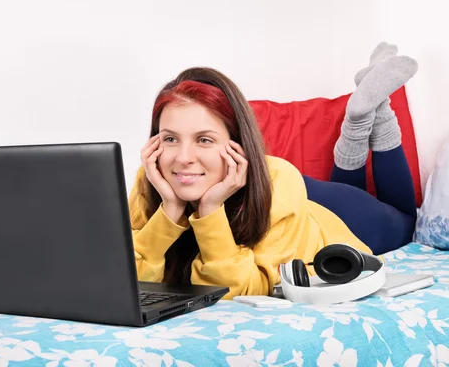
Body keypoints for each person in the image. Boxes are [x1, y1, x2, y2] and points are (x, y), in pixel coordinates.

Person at [129, 42, 419, 299]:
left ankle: (374, 113)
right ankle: (360, 115)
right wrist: (169, 211)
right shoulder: (155, 178)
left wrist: (210, 209)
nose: (182, 158)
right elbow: (130, 280)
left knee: (405, 220)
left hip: (307, 210)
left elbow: (236, 291)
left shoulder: (279, 181)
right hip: (276, 201)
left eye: (204, 139)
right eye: (170, 138)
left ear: (237, 143)